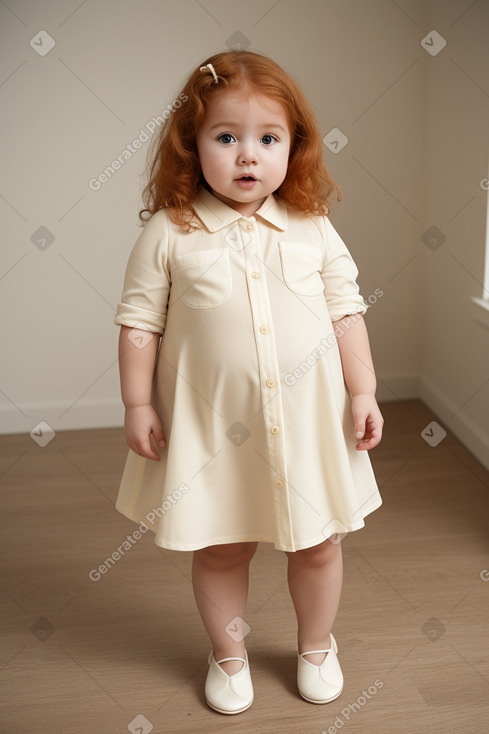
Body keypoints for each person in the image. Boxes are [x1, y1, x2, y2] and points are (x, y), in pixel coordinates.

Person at [114, 50, 383, 716]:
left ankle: (316, 645)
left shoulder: (312, 229)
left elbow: (344, 311)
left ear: (294, 146)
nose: (246, 156)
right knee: (222, 546)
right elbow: (139, 321)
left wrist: (363, 390)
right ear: (191, 144)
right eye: (225, 137)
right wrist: (138, 401)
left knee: (318, 543)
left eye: (268, 139)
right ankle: (228, 654)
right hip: (213, 430)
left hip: (308, 423)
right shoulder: (170, 231)